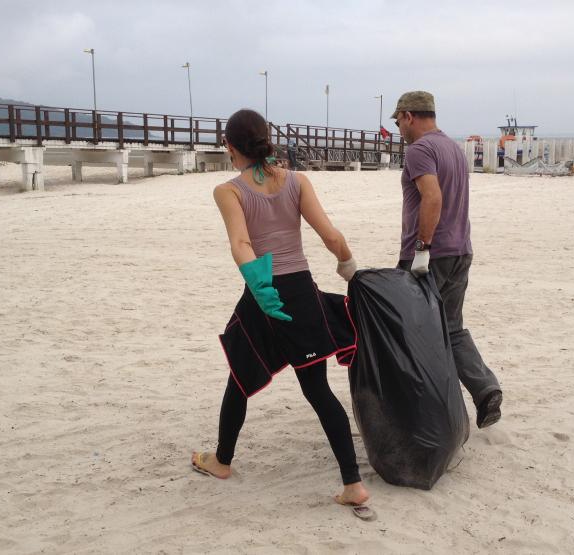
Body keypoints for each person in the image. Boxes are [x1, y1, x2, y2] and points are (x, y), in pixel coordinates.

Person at [191, 109, 371, 513]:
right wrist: (349, 268)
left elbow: (240, 243)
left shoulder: (229, 190)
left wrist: (261, 286)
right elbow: (331, 235)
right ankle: (353, 485)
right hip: (302, 294)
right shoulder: (297, 181)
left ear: (231, 147)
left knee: (240, 375)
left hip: (264, 291)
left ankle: (221, 461)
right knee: (318, 389)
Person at [391, 91, 504, 429]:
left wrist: (422, 248)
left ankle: (422, 408)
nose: (398, 128)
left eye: (398, 121)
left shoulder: (420, 150)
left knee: (408, 332)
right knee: (450, 327)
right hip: (460, 251)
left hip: (431, 255)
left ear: (410, 116)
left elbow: (433, 198)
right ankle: (485, 389)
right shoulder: (452, 148)